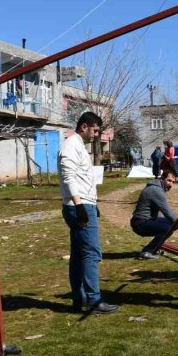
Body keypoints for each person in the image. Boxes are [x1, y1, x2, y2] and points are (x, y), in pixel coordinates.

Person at [59, 112, 119, 316]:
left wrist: (91, 203)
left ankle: (79, 298)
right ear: (84, 126)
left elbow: (82, 178)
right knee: (92, 253)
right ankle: (93, 300)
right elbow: (68, 177)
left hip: (84, 203)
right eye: (94, 130)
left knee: (78, 255)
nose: (96, 135)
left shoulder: (78, 146)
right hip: (79, 206)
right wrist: (81, 207)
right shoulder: (71, 146)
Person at [131, 168, 178, 259]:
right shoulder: (156, 190)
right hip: (140, 223)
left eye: (173, 182)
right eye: (169, 180)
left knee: (171, 224)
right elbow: (167, 212)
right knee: (168, 228)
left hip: (145, 220)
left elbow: (165, 214)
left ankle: (156, 247)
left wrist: (176, 223)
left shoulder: (156, 187)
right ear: (162, 178)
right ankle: (147, 251)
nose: (171, 184)